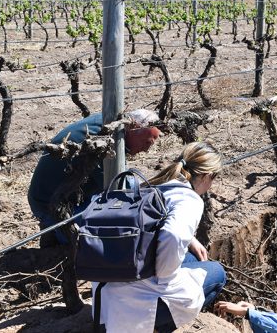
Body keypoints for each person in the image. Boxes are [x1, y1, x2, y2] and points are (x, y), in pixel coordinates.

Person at [94, 141, 227, 333]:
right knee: (217, 273)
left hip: (105, 302)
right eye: (214, 177)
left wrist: (190, 240)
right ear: (207, 176)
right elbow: (172, 234)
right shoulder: (190, 200)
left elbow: (159, 224)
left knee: (191, 258)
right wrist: (166, 278)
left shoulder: (156, 185)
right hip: (132, 307)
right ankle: (154, 328)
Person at [27, 109, 162, 244]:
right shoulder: (105, 141)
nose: (146, 150)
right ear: (135, 128)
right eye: (147, 143)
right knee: (103, 236)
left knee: (131, 183)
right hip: (49, 206)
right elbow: (117, 189)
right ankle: (58, 236)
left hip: (64, 196)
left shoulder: (111, 124)